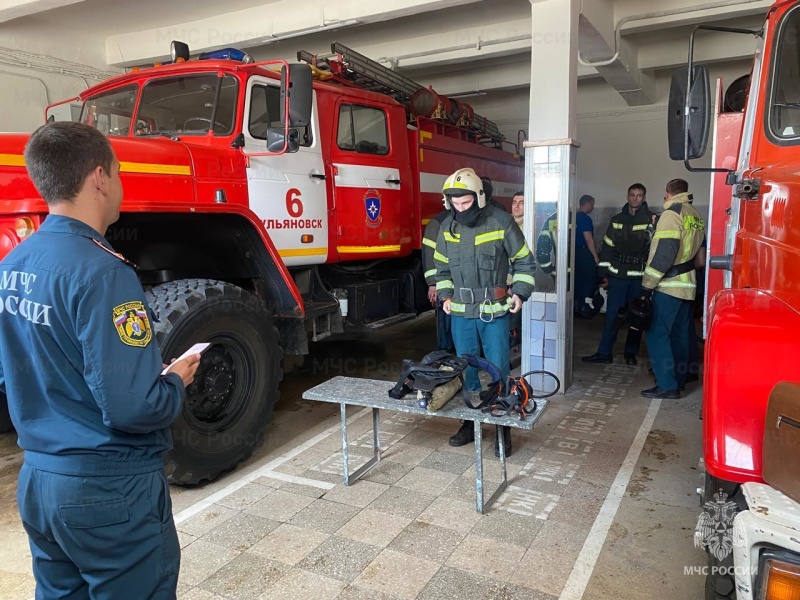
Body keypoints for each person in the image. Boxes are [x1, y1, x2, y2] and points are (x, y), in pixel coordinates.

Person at [0, 122, 201, 598]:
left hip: (39, 483)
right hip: (108, 490)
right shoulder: (102, 272)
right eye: (119, 173)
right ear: (99, 178)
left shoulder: (12, 266)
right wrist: (172, 382)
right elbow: (134, 406)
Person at [434, 168, 535, 457]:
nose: (461, 208)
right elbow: (441, 268)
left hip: (494, 312)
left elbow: (525, 263)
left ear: (478, 197)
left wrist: (521, 293)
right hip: (461, 314)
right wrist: (445, 295)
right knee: (467, 369)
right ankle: (469, 423)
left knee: (498, 368)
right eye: (455, 203)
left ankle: (503, 430)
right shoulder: (447, 228)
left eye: (465, 202)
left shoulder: (501, 222)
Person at [640, 178, 705, 399]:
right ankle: (684, 376)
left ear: (667, 193)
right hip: (688, 284)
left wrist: (647, 284)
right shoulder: (694, 214)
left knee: (658, 334)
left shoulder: (671, 214)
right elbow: (699, 258)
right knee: (680, 334)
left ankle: (668, 385)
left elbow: (663, 254)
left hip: (669, 286)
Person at [583, 183, 655, 366]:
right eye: (632, 195)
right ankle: (604, 352)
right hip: (618, 276)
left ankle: (630, 353)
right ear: (627, 196)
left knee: (636, 317)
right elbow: (607, 247)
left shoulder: (651, 220)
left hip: (639, 278)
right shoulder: (617, 219)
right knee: (612, 317)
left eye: (639, 195)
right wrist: (602, 274)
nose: (635, 198)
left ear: (644, 198)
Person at [422, 208, 455, 353]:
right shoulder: (438, 223)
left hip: (464, 283)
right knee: (445, 318)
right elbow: (429, 255)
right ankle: (445, 352)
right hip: (446, 282)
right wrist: (433, 283)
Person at [574, 194, 599, 316]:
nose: (593, 207)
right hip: (584, 252)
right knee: (588, 279)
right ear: (587, 203)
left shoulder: (573, 217)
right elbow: (588, 239)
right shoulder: (585, 219)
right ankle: (585, 307)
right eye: (592, 204)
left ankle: (576, 306)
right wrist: (595, 256)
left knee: (577, 280)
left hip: (574, 253)